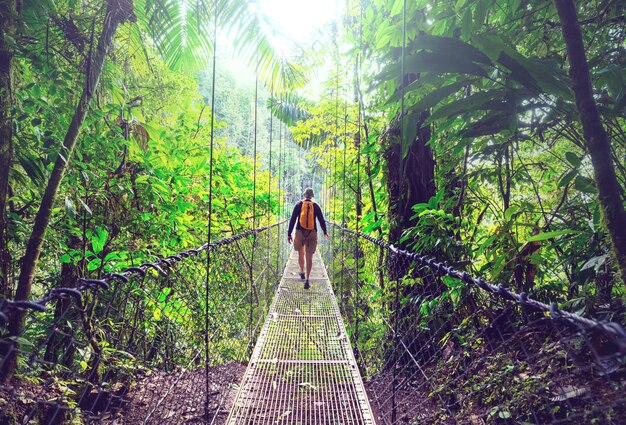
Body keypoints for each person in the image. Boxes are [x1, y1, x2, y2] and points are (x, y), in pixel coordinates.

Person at [287, 187, 329, 289]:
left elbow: (293, 219)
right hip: (312, 233)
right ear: (312, 196)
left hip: (299, 232)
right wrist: (325, 231)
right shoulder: (316, 206)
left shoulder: (298, 204)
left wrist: (289, 233)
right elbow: (321, 220)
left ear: (305, 195)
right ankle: (307, 280)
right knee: (309, 256)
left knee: (301, 253)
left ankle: (302, 272)